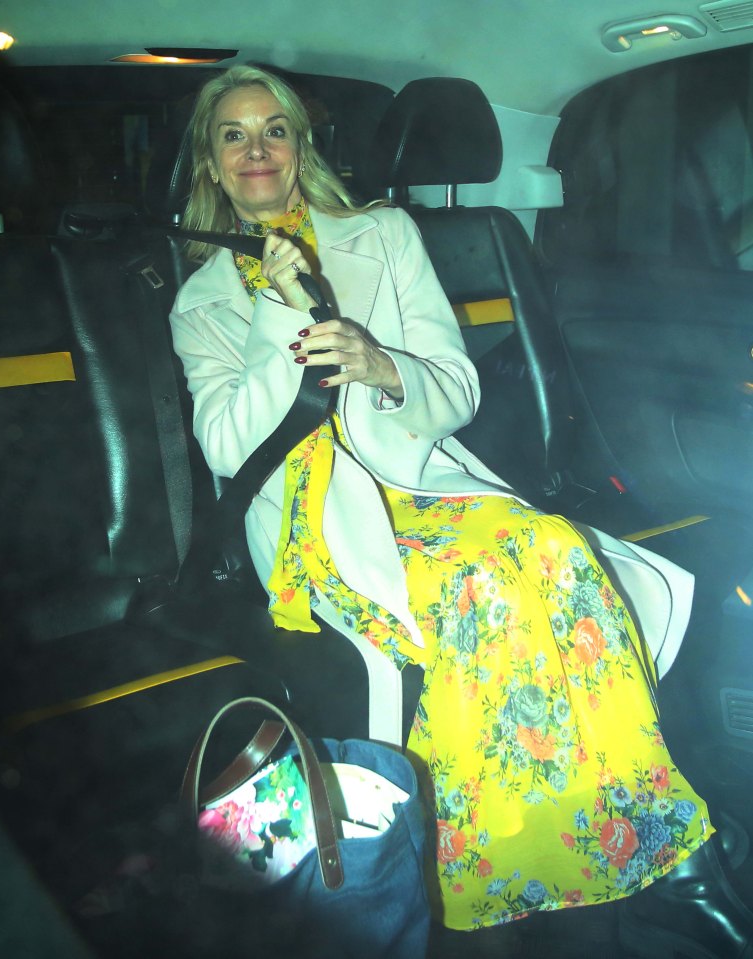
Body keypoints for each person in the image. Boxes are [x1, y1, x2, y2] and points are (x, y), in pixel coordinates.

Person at [169, 65, 752, 954]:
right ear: (210, 162)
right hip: (306, 516)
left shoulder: (382, 234)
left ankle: (658, 855)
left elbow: (458, 386)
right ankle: (501, 870)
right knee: (479, 589)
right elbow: (224, 447)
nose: (257, 150)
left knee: (553, 550)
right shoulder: (200, 301)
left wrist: (381, 365)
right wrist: (270, 318)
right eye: (233, 135)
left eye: (275, 130)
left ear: (302, 145)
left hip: (422, 477)